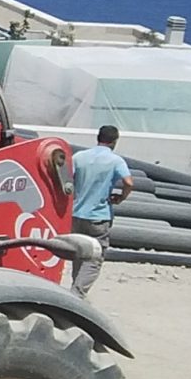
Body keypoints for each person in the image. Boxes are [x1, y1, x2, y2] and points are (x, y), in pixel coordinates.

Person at [67, 125, 133, 295]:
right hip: (98, 216)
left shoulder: (78, 157)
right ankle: (77, 294)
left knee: (80, 253)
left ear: (98, 137)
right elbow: (129, 182)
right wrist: (120, 198)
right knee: (94, 257)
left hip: (76, 213)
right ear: (115, 141)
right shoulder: (115, 161)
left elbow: (66, 180)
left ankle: (75, 290)